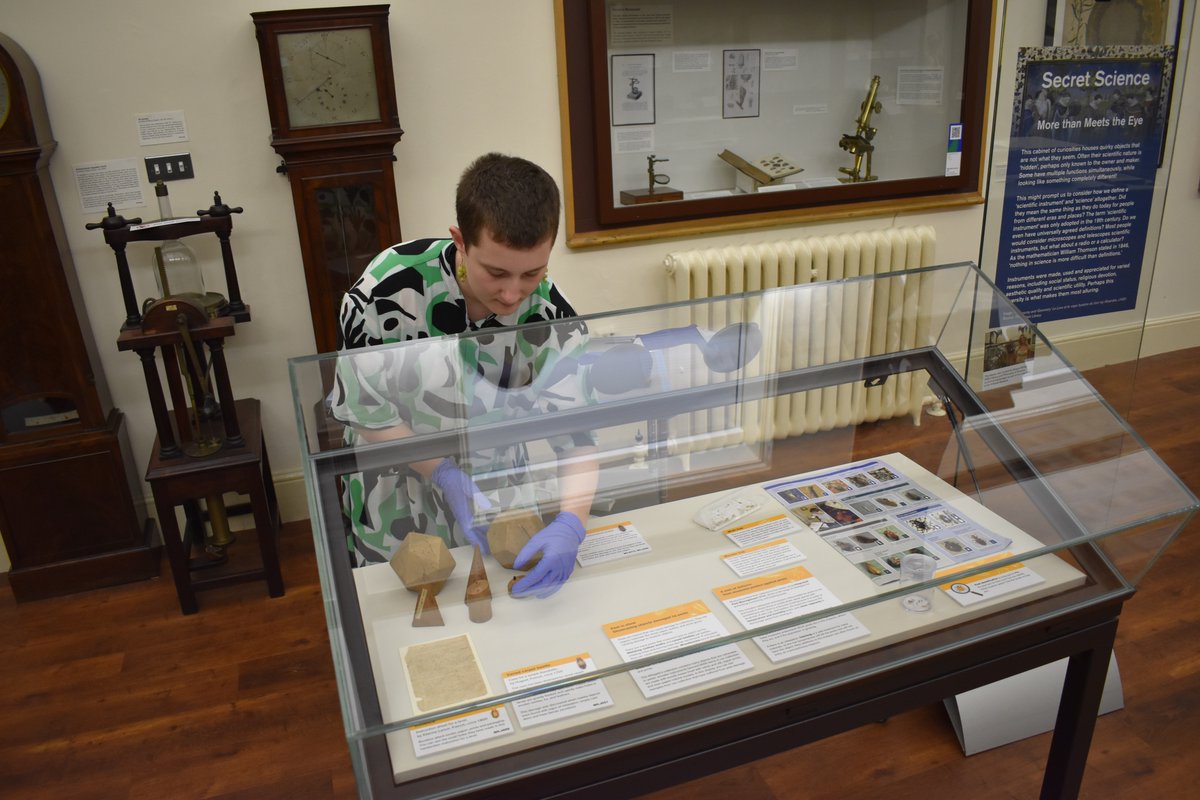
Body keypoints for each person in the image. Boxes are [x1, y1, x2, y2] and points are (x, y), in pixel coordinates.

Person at [331, 153, 598, 599]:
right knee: (405, 618)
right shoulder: (385, 291)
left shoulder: (551, 311)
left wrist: (572, 521)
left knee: (510, 617)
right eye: (496, 272)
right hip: (397, 494)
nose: (512, 294)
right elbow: (364, 412)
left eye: (532, 273)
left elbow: (578, 436)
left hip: (501, 496)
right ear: (460, 240)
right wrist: (442, 472)